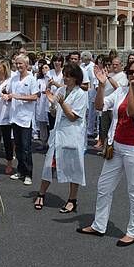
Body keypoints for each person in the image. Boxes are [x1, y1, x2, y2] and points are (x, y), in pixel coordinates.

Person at [77, 60, 134, 246]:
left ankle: (133, 231)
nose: (132, 75)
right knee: (104, 187)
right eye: (130, 72)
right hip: (117, 145)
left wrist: (132, 88)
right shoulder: (120, 90)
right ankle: (99, 225)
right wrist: (102, 85)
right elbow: (99, 106)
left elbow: (132, 111)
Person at [34, 63, 87, 213]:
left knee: (73, 167)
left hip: (72, 135)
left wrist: (62, 104)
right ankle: (41, 194)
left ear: (76, 78)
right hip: (58, 134)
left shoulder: (81, 94)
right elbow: (54, 113)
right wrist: (52, 106)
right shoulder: (62, 90)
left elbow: (72, 117)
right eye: (64, 74)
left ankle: (72, 199)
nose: (65, 78)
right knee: (48, 165)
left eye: (68, 76)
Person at [6, 54, 39, 186]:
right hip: (15, 116)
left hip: (26, 117)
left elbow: (35, 96)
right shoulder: (13, 78)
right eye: (17, 63)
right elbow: (9, 93)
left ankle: (28, 174)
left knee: (26, 147)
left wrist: (18, 97)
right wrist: (7, 96)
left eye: (21, 64)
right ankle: (20, 170)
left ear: (26, 65)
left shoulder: (31, 79)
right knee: (18, 146)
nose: (18, 66)